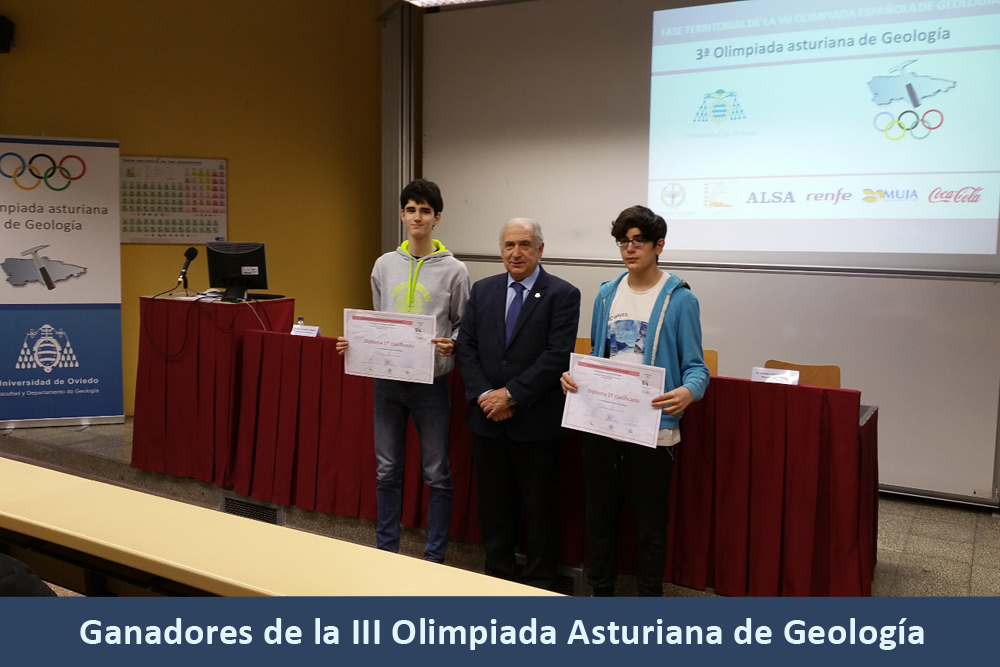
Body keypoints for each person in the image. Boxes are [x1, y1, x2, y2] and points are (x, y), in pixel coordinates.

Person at [560, 205, 709, 596]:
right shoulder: (608, 294)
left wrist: (688, 392)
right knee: (600, 521)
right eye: (623, 241)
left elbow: (697, 368)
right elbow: (596, 356)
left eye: (638, 241)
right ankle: (602, 595)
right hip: (602, 427)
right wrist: (575, 377)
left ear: (658, 245)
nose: (629, 248)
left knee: (649, 528)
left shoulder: (679, 300)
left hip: (652, 432)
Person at [337, 179, 470, 563]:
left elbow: (464, 323)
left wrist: (454, 343)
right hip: (387, 383)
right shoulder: (384, 265)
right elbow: (377, 320)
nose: (417, 216)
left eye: (425, 210)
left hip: (431, 384)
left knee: (437, 474)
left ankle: (434, 558)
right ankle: (386, 553)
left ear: (437, 218)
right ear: (402, 214)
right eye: (411, 209)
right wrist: (355, 343)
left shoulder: (455, 270)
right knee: (386, 471)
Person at [456, 218, 581, 589]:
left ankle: (540, 583)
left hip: (535, 421)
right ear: (501, 250)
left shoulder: (562, 293)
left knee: (538, 508)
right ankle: (497, 577)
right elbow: (467, 347)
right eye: (509, 245)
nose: (516, 252)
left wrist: (510, 395)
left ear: (540, 249)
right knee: (493, 507)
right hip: (487, 419)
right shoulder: (482, 290)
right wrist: (485, 397)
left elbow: (557, 355)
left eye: (525, 244)